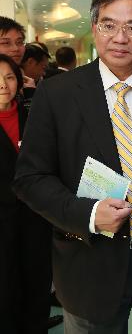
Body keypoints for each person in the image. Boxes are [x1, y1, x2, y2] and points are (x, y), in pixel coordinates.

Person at [13, 0, 132, 333]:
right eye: (109, 25)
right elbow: (30, 178)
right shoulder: (57, 93)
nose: (120, 37)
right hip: (88, 258)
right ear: (95, 28)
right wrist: (90, 214)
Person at [0, 54, 56, 333]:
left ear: (19, 82)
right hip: (3, 220)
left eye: (9, 77)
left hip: (35, 216)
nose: (3, 85)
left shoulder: (33, 115)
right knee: (6, 284)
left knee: (37, 278)